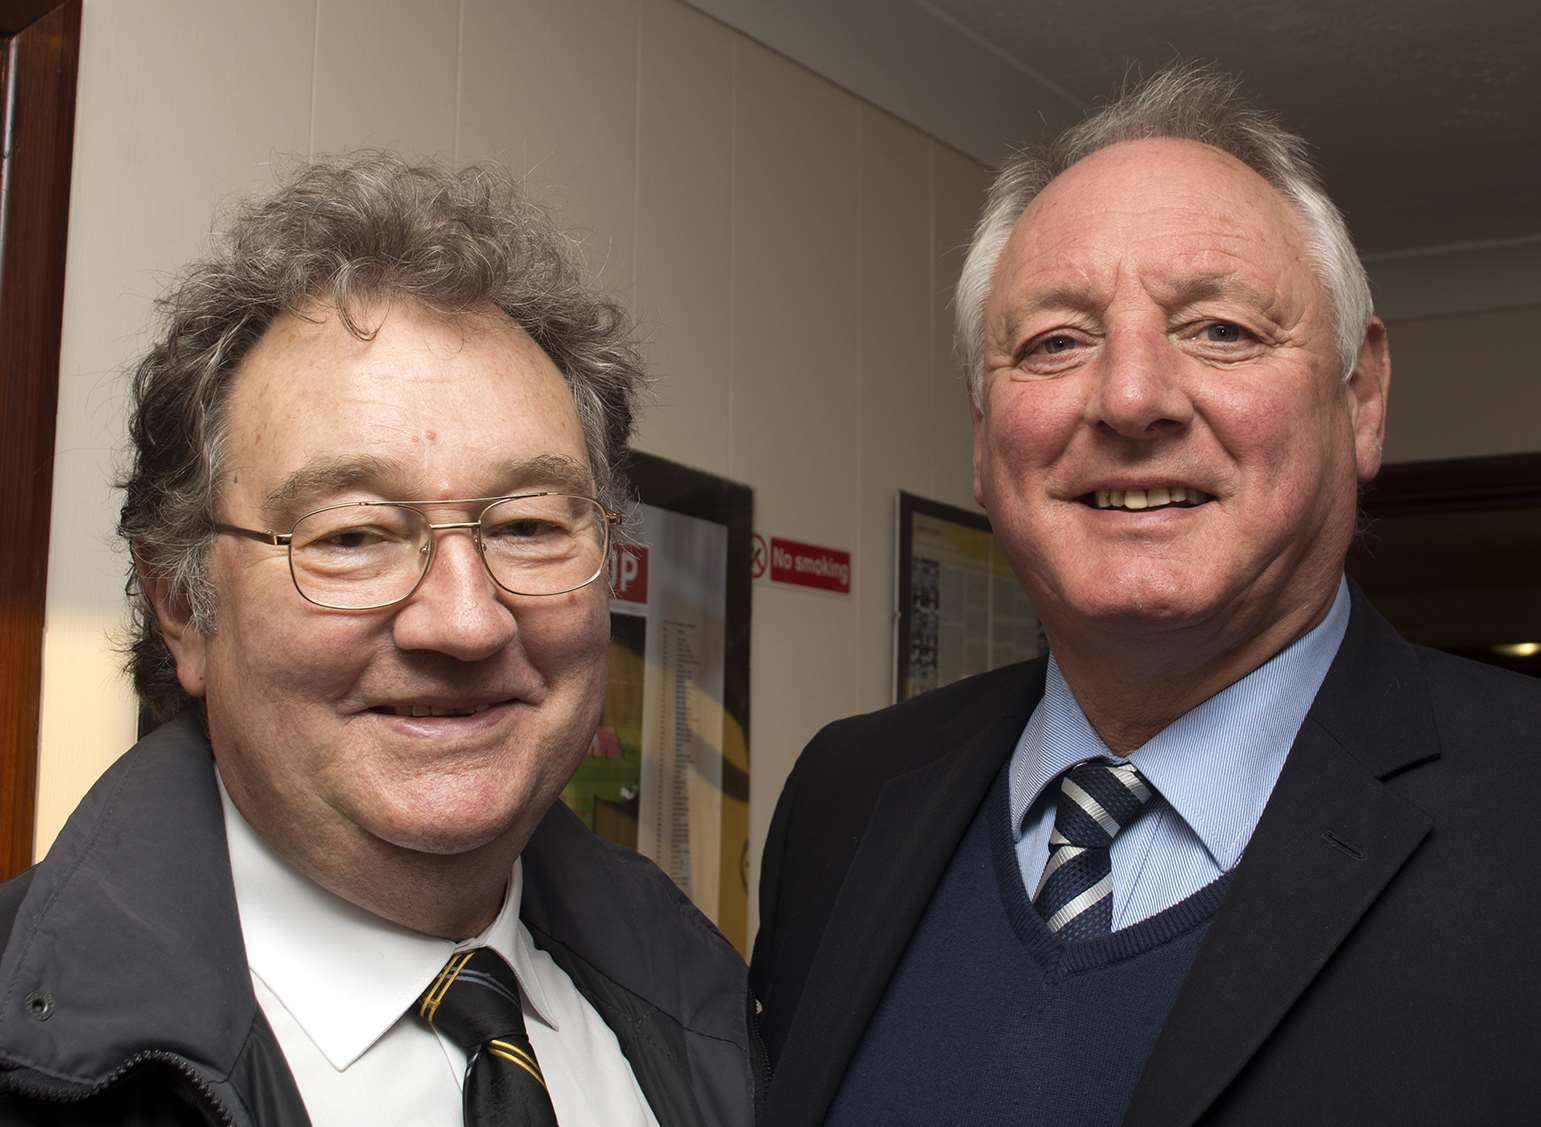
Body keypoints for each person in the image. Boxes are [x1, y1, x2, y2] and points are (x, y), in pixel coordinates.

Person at [750, 63, 1541, 1127]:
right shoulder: (846, 798)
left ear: (1358, 399)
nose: (1129, 397)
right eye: (1055, 341)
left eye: (1218, 328)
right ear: (983, 440)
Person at [0, 154, 758, 1126]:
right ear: (183, 607)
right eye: (352, 535)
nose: (465, 619)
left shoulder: (720, 1003)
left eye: (528, 525)